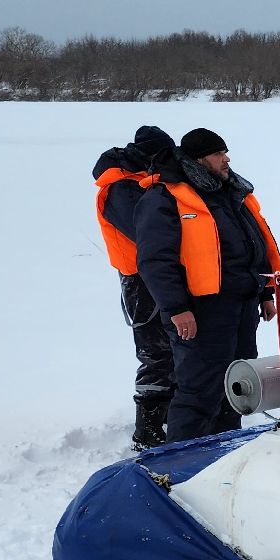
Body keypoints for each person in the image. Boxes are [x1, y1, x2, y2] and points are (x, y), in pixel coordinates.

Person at [133, 127, 280, 442]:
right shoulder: (165, 196)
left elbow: (254, 245)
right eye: (218, 153)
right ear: (199, 159)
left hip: (241, 307)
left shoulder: (231, 191)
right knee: (200, 391)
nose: (226, 158)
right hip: (200, 312)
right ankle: (178, 465)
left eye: (225, 152)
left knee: (235, 387)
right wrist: (176, 308)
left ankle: (223, 456)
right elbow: (155, 261)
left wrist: (265, 292)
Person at [93, 125, 178, 449]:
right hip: (140, 281)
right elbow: (147, 233)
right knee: (155, 351)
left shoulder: (138, 183)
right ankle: (148, 428)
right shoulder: (122, 190)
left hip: (154, 276)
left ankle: (168, 412)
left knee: (171, 348)